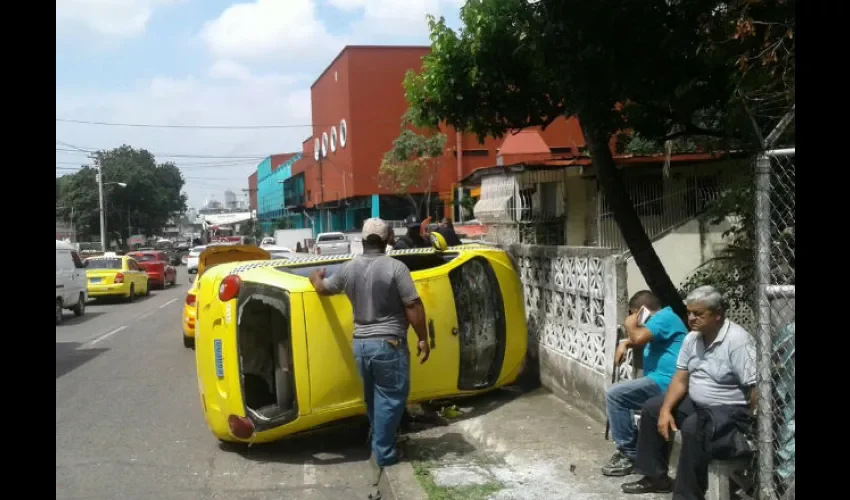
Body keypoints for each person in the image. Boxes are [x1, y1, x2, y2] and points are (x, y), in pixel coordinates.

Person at [308, 218, 430, 490]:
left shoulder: (348, 269)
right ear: (387, 240)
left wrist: (315, 276)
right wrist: (423, 338)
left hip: (361, 345)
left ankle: (378, 440)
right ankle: (383, 455)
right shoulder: (396, 268)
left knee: (374, 399)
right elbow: (412, 305)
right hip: (389, 344)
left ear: (362, 240)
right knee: (391, 398)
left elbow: (322, 288)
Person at [621, 285, 757, 498]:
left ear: (718, 315)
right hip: (697, 405)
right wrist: (666, 410)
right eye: (689, 313)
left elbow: (755, 388)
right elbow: (680, 379)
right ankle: (655, 477)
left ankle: (687, 496)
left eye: (698, 314)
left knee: (694, 427)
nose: (691, 318)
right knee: (652, 408)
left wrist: (751, 425)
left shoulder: (738, 341)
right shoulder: (692, 339)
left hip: (729, 410)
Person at [602, 290, 688, 477]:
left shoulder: (664, 317)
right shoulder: (661, 320)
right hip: (659, 380)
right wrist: (626, 344)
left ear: (642, 311)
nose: (634, 318)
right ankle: (632, 447)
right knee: (619, 395)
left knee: (615, 395)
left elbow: (639, 336)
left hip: (668, 382)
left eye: (634, 313)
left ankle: (629, 452)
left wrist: (629, 324)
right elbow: (641, 339)